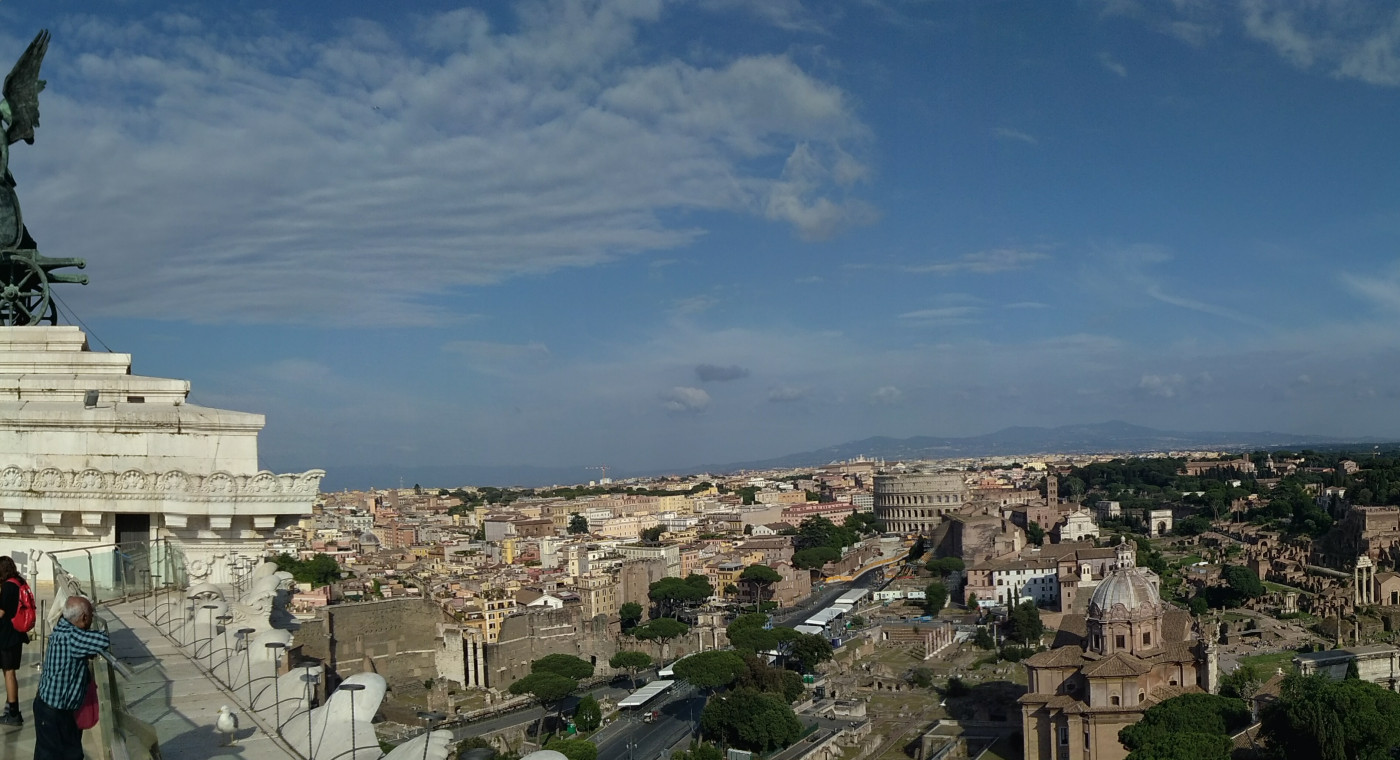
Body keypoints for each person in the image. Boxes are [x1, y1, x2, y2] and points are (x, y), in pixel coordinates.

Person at [33, 596, 109, 760]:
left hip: (55, 707)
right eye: (91, 615)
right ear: (84, 617)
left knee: (70, 754)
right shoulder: (72, 638)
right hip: (53, 711)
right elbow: (103, 640)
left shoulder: (63, 627)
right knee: (50, 755)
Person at [0, 556, 29, 725]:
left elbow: (2, 612)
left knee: (9, 673)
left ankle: (13, 713)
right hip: (17, 634)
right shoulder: (19, 581)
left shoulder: (9, 586)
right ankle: (10, 706)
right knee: (9, 672)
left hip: (7, 636)